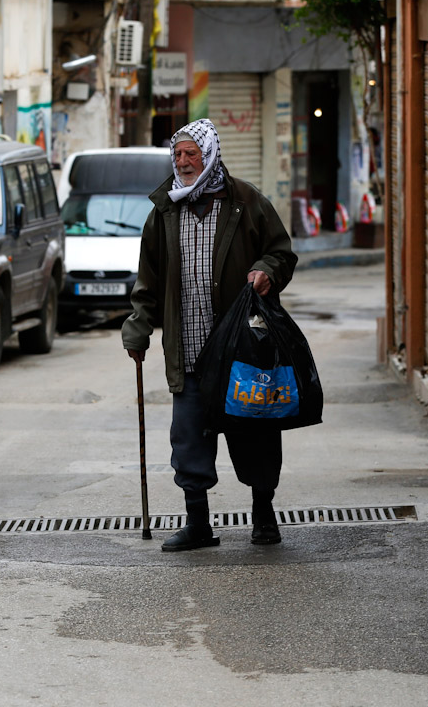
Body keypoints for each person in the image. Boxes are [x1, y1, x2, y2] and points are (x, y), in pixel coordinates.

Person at [123, 119, 298, 552]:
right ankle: (198, 523)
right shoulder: (165, 209)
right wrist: (138, 328)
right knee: (189, 439)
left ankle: (263, 513)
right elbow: (148, 281)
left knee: (254, 433)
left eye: (191, 154)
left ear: (210, 155)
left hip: (241, 351)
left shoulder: (245, 201)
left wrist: (267, 272)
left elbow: (281, 252)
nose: (183, 162)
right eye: (178, 154)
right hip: (188, 351)